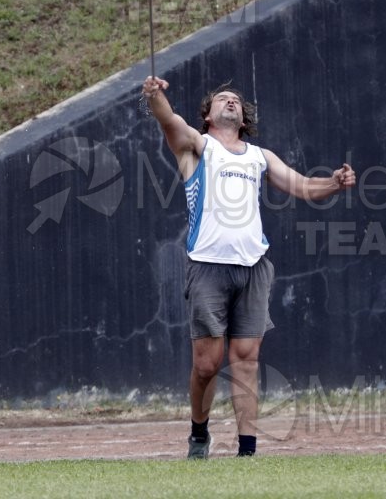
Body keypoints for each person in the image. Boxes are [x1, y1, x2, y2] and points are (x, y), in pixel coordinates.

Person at [141, 75, 356, 458]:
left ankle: (247, 450)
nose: (230, 102)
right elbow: (167, 120)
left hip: (253, 267)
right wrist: (154, 96)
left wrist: (336, 183)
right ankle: (199, 433)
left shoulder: (260, 156)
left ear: (243, 119)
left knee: (246, 359)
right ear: (206, 116)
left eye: (235, 101)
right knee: (207, 365)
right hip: (208, 266)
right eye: (222, 99)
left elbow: (304, 187)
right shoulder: (197, 147)